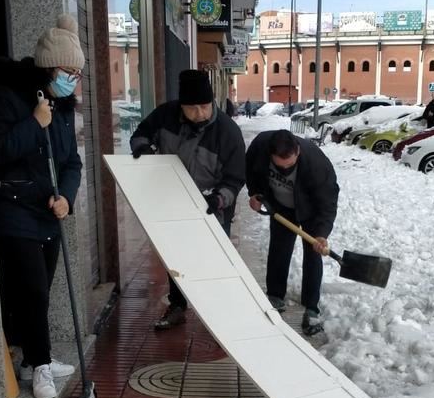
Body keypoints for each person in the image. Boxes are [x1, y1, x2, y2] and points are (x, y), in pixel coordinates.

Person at [0, 14, 84, 398]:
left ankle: (31, 359)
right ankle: (41, 365)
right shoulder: (10, 99)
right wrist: (33, 124)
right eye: (67, 70)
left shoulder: (61, 108)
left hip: (49, 213)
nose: (72, 79)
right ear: (47, 68)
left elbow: (71, 163)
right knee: (32, 291)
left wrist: (68, 198)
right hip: (15, 211)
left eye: (77, 72)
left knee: (40, 288)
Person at [130, 69, 246, 330]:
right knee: (176, 257)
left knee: (213, 259)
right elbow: (140, 134)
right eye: (192, 109)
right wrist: (142, 149)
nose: (200, 114)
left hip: (212, 208)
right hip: (172, 201)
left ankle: (219, 312)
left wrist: (218, 200)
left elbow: (236, 178)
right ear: (182, 106)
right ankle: (178, 306)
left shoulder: (228, 132)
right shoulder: (165, 115)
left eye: (205, 107)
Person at [246, 129, 339, 336]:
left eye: (290, 166)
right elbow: (251, 170)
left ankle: (312, 307)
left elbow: (328, 202)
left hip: (312, 210)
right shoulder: (260, 146)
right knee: (279, 248)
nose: (285, 170)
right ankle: (275, 296)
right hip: (281, 206)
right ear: (271, 155)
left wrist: (322, 233)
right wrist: (255, 194)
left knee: (314, 252)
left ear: (297, 151)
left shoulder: (316, 164)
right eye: (280, 167)